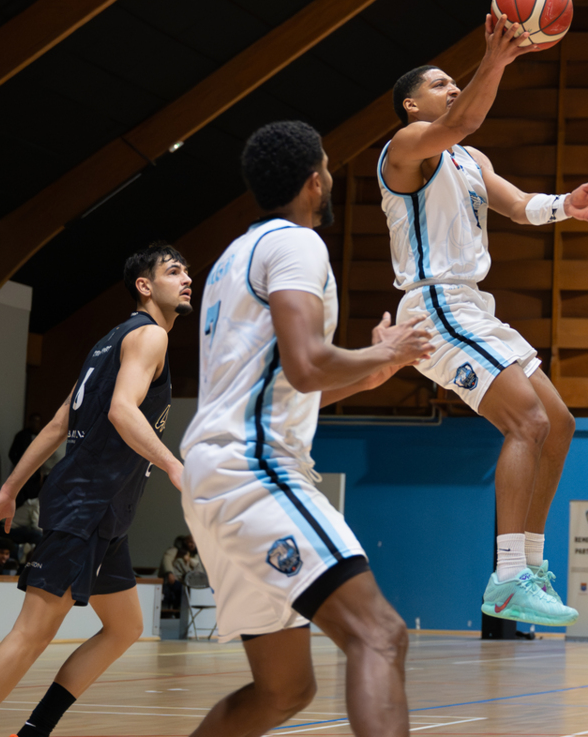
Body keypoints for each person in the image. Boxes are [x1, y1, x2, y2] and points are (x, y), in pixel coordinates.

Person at [182, 119, 437, 737]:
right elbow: (306, 363)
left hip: (214, 479)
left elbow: (289, 382)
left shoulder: (231, 258)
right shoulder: (297, 244)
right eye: (325, 166)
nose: (328, 176)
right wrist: (384, 351)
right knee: (380, 634)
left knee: (284, 689)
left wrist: (371, 373)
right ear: (313, 181)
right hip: (254, 470)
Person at [382, 15, 588, 626]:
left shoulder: (470, 158)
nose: (452, 87)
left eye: (454, 81)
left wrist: (566, 205)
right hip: (435, 304)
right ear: (412, 104)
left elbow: (518, 206)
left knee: (559, 424)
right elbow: (460, 121)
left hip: (474, 307)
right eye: (440, 83)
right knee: (527, 420)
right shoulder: (405, 148)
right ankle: (508, 576)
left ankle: (530, 567)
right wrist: (496, 58)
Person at [0, 243, 193, 737]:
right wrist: (172, 464)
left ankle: (34, 731)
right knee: (31, 634)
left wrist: (9, 490)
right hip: (86, 505)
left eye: (187, 273)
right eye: (174, 271)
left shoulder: (108, 342)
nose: (186, 279)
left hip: (105, 512)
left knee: (125, 627)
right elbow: (122, 410)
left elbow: (59, 423)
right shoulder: (150, 337)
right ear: (144, 286)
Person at [10, 413, 48, 506]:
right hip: (22, 473)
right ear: (29, 422)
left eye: (37, 422)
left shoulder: (42, 436)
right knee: (21, 498)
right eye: (33, 421)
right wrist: (20, 466)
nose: (35, 424)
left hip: (35, 474)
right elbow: (12, 453)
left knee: (33, 499)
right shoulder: (21, 435)